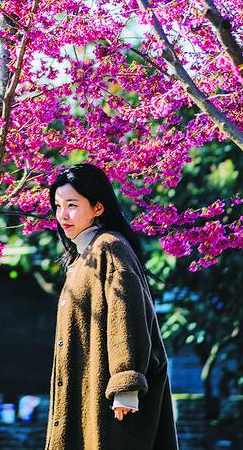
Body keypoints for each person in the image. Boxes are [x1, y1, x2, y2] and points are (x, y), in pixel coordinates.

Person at [45, 163, 178, 450]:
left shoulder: (110, 247)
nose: (62, 215)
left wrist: (126, 383)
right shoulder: (81, 258)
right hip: (86, 392)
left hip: (112, 400)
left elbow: (126, 314)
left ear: (98, 208)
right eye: (57, 206)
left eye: (72, 205)